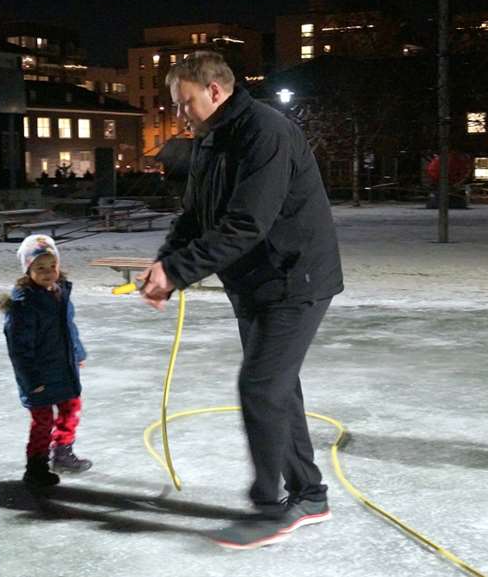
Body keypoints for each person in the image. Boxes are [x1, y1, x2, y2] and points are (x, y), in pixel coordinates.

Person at [137, 50, 344, 548]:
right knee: (277, 387)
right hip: (253, 284)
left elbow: (247, 223)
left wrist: (178, 270)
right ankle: (310, 493)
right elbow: (193, 216)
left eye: (184, 102)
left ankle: (269, 506)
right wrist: (166, 265)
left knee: (261, 386)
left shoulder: (265, 132)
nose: (179, 113)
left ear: (214, 90)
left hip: (296, 280)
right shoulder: (211, 140)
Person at [0, 234, 92, 488]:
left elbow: (67, 328)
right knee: (43, 422)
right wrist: (31, 380)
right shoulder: (23, 304)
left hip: (63, 367)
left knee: (71, 410)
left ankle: (63, 453)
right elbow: (18, 348)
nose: (48, 272)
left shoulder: (60, 293)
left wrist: (78, 353)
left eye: (53, 266)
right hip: (38, 375)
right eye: (40, 267)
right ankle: (36, 466)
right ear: (28, 269)